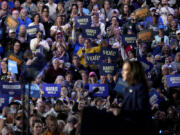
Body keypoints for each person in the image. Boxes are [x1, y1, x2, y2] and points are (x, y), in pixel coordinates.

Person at [121, 60, 152, 135]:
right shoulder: (128, 88)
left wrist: (120, 111)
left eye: (125, 70)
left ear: (132, 72)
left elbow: (140, 112)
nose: (122, 72)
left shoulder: (140, 88)